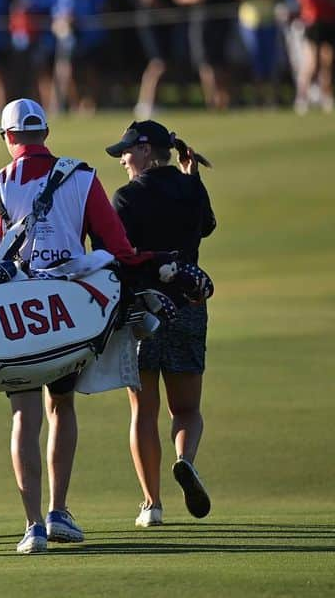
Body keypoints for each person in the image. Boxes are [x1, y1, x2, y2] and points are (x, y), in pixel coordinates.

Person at [0, 98, 148, 554]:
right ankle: (59, 509)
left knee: (24, 417)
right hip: (68, 312)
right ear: (44, 133)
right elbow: (118, 246)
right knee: (61, 407)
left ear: (9, 138)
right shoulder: (82, 175)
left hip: (17, 317)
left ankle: (33, 526)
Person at [105, 120, 216, 527]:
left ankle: (151, 504)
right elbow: (205, 226)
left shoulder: (127, 198)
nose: (122, 160)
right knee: (186, 408)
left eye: (127, 152)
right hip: (189, 305)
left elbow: (113, 254)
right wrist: (192, 178)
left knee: (143, 410)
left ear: (148, 150)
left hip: (142, 310)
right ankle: (184, 460)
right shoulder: (190, 187)